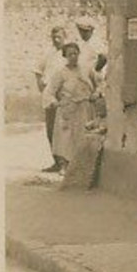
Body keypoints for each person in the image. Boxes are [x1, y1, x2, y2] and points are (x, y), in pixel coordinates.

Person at [47, 43, 98, 174]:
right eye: (70, 54)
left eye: (76, 53)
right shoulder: (61, 73)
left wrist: (95, 94)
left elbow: (99, 83)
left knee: (83, 136)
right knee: (66, 137)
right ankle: (65, 166)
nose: (73, 57)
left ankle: (83, 166)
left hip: (84, 107)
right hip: (68, 108)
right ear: (65, 56)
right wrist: (54, 102)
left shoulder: (86, 70)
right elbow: (50, 92)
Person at [34, 25, 68, 172]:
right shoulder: (48, 54)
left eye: (59, 37)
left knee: (62, 131)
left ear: (64, 37)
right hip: (49, 97)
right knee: (50, 130)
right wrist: (40, 85)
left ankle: (65, 163)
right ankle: (56, 161)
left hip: (63, 97)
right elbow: (37, 70)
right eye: (53, 37)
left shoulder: (69, 53)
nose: (56, 40)